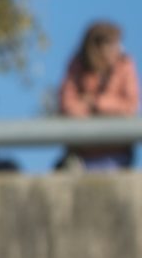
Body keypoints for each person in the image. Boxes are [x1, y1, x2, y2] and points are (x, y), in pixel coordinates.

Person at [57, 20, 139, 170]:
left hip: (117, 152)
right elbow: (67, 105)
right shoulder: (77, 66)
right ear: (96, 47)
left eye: (117, 44)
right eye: (111, 45)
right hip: (82, 154)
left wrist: (95, 103)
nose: (117, 49)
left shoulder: (124, 65)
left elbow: (130, 105)